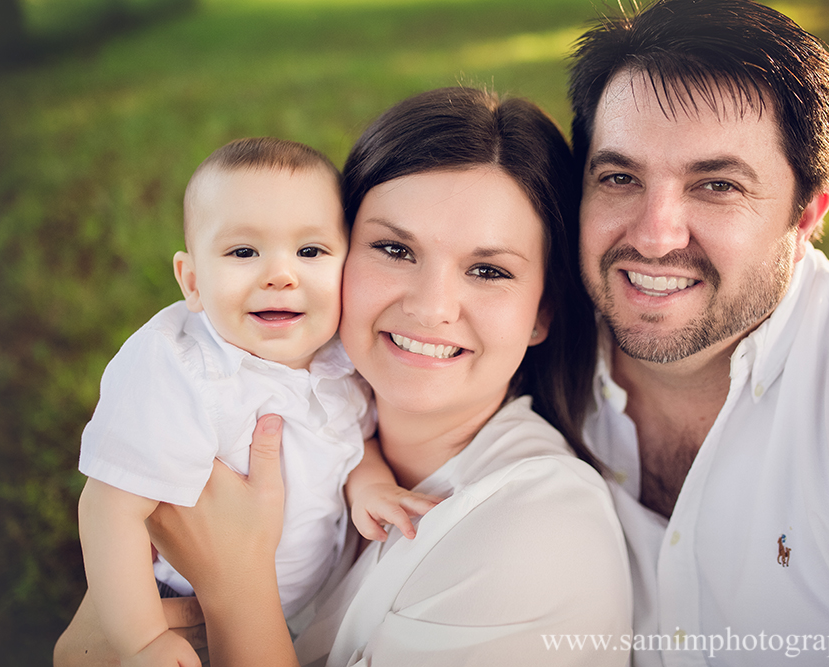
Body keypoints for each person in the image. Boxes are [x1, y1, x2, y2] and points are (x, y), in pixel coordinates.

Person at [55, 87, 633, 666]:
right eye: (393, 249)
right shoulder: (289, 392)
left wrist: (234, 585)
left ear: (542, 311)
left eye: (487, 269)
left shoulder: (538, 537)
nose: (432, 308)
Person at [569, 0, 829, 664]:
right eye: (620, 177)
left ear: (808, 213)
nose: (653, 234)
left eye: (717, 185)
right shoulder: (519, 343)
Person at [75, 137, 438, 667]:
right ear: (193, 282)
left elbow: (353, 438)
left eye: (310, 252)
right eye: (244, 252)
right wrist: (142, 637)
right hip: (179, 608)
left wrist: (372, 484)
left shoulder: (337, 358)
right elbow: (110, 507)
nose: (280, 275)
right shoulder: (179, 369)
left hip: (291, 612)